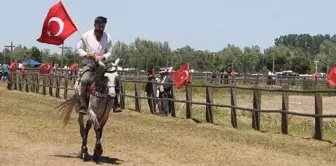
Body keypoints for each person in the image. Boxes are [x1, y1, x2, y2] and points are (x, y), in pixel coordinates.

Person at [75, 16, 114, 115]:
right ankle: (83, 105)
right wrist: (87, 55)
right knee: (84, 80)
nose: (101, 28)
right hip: (89, 64)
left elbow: (110, 52)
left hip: (102, 65)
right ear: (95, 25)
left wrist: (103, 57)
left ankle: (116, 103)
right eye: (99, 26)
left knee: (114, 78)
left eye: (103, 26)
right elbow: (78, 49)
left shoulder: (107, 37)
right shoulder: (86, 35)